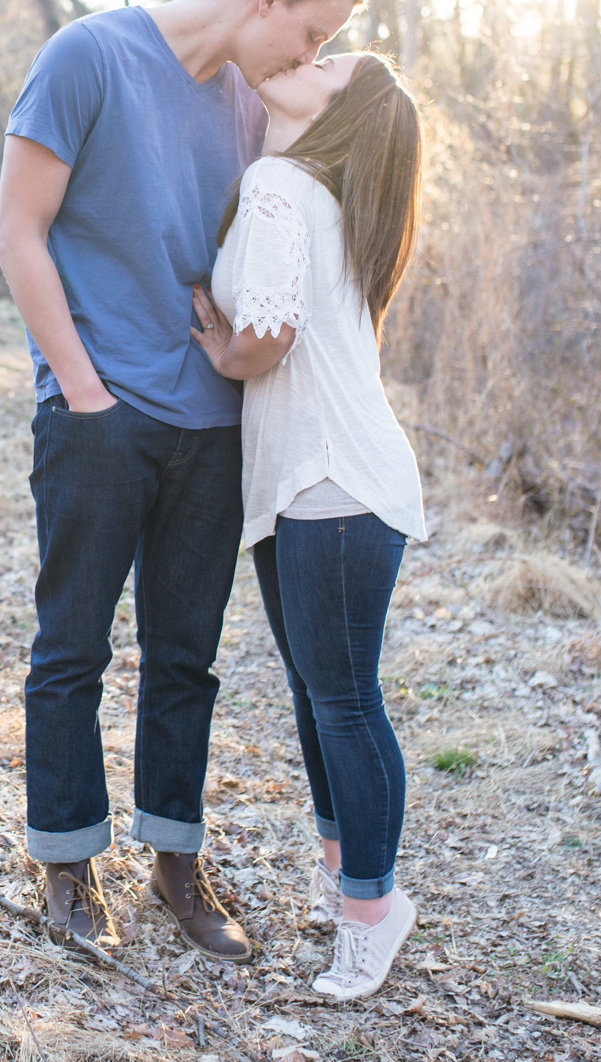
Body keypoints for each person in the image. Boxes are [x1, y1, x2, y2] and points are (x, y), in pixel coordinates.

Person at [0, 0, 363, 960]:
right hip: (98, 408)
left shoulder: (253, 103)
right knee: (70, 646)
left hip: (211, 422)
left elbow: (341, 134)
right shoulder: (88, 56)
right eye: (307, 32)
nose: (305, 58)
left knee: (185, 657)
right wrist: (79, 387)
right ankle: (67, 868)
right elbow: (17, 228)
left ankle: (173, 859)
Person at [187, 51, 427, 1001]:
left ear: (341, 114)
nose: (307, 61)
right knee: (318, 691)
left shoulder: (282, 182)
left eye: (330, 64)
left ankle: (373, 912)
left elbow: (269, 337)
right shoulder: (320, 198)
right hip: (313, 485)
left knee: (343, 700)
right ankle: (349, 881)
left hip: (330, 484)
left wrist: (219, 345)